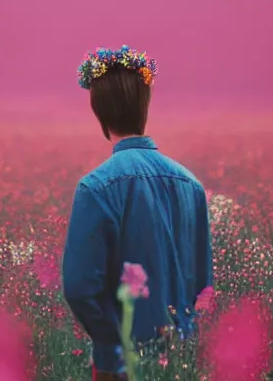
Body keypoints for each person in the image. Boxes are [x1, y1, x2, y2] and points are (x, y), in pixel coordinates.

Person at [62, 45, 213, 381]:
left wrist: (111, 343)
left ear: (100, 113)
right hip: (183, 362)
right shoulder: (193, 186)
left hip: (121, 365)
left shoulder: (95, 188)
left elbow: (78, 287)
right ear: (144, 106)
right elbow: (204, 289)